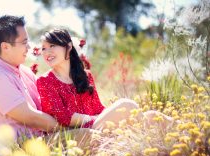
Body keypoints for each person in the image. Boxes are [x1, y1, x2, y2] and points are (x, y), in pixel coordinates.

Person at [36, 28, 174, 130]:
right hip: (81, 132)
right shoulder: (44, 81)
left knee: (152, 115)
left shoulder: (86, 76)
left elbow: (98, 108)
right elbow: (61, 116)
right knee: (127, 105)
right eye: (43, 48)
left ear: (69, 46)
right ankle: (143, 143)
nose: (47, 52)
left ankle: (187, 135)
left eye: (52, 46)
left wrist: (109, 115)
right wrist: (96, 119)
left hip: (97, 123)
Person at [0, 15, 59, 156]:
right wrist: (68, 127)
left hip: (40, 144)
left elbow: (47, 102)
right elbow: (31, 117)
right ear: (5, 47)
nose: (28, 47)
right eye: (24, 42)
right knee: (91, 135)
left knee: (96, 127)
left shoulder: (24, 71)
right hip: (20, 155)